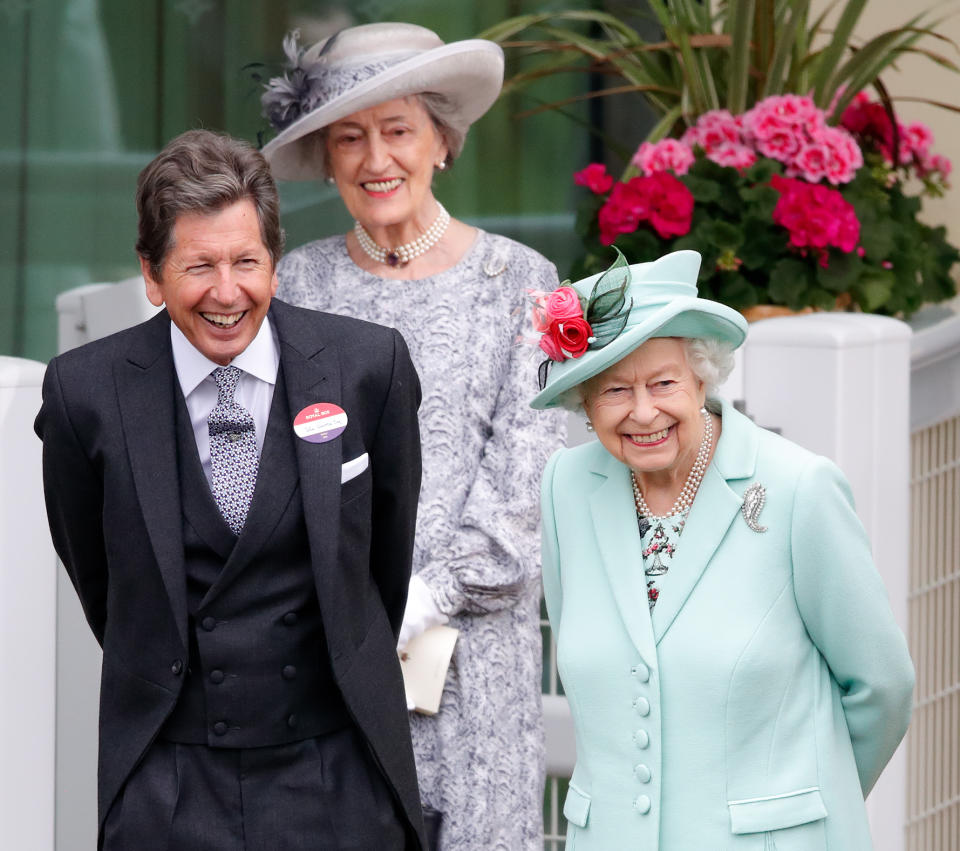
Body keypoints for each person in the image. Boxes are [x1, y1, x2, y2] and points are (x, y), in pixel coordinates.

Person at [35, 129, 426, 850]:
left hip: (335, 770)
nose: (226, 291)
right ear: (151, 275)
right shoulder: (82, 393)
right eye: (198, 265)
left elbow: (381, 566)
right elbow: (100, 579)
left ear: (274, 262)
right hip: (168, 781)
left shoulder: (368, 368)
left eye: (247, 261)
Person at [260, 22, 567, 850]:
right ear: (327, 158)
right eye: (350, 138)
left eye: (398, 130)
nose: (375, 158)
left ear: (442, 143)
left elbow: (530, 477)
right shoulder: (294, 288)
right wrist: (353, 606)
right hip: (328, 662)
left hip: (477, 664)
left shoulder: (523, 284)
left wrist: (429, 594)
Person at [530, 249, 915, 849]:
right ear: (584, 400)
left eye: (663, 383)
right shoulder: (566, 487)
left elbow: (882, 686)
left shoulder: (796, 489)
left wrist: (805, 808)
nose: (643, 412)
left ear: (703, 377)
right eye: (614, 391)